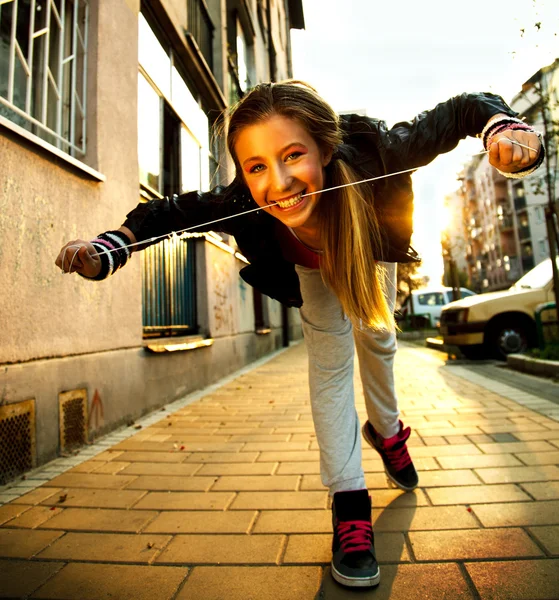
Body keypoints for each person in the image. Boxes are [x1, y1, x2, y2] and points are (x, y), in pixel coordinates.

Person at [55, 81, 543, 588]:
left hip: (365, 247)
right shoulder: (241, 203)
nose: (280, 182)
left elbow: (462, 110)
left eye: (293, 155)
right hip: (311, 270)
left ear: (325, 149)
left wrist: (505, 131)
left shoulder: (380, 152)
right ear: (244, 174)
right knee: (331, 367)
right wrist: (108, 247)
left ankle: (388, 431)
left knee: (379, 341)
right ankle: (350, 509)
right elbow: (168, 212)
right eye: (258, 166)